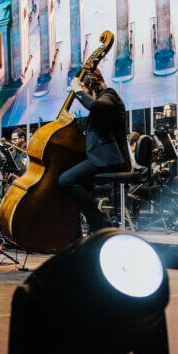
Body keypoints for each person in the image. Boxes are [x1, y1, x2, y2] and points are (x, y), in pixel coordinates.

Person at [58, 70, 129, 233]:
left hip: (108, 159)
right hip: (100, 158)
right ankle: (81, 227)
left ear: (91, 84)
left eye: (87, 91)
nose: (88, 96)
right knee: (75, 182)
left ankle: (100, 223)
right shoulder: (104, 101)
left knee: (65, 181)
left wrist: (78, 91)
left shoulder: (110, 95)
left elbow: (95, 105)